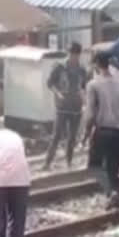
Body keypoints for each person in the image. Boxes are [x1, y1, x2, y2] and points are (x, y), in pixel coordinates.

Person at [84, 52, 119, 209]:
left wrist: (86, 133)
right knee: (113, 166)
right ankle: (115, 195)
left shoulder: (93, 85)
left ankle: (111, 193)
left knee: (94, 165)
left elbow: (90, 114)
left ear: (97, 64)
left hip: (102, 131)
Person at [44, 42, 87, 170]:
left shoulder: (82, 69)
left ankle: (69, 162)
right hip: (62, 107)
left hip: (76, 107)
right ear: (68, 54)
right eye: (72, 55)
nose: (74, 58)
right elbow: (50, 83)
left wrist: (84, 98)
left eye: (76, 55)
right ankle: (47, 163)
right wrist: (57, 93)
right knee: (56, 135)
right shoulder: (59, 67)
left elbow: (84, 86)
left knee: (72, 137)